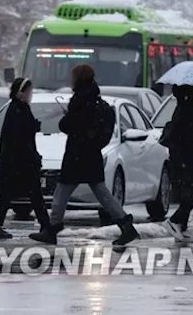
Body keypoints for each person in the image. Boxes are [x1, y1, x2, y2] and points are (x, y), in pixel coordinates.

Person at [30, 63, 138, 247]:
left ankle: (52, 227)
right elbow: (100, 130)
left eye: (72, 77)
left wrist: (70, 120)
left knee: (62, 192)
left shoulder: (80, 102)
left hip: (76, 156)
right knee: (103, 194)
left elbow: (66, 125)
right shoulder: (99, 102)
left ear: (78, 79)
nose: (70, 80)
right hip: (91, 155)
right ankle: (125, 224)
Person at [0, 76, 52, 240]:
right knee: (30, 195)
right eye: (29, 91)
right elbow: (19, 139)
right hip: (18, 162)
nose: (31, 95)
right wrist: (33, 157)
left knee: (19, 195)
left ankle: (45, 226)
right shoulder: (17, 110)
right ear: (21, 93)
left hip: (17, 162)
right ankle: (45, 226)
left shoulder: (20, 108)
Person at [161, 85, 193, 244]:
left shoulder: (187, 108)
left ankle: (182, 227)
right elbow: (184, 136)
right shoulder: (186, 111)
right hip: (186, 158)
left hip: (188, 156)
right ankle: (174, 221)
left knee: (192, 191)